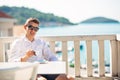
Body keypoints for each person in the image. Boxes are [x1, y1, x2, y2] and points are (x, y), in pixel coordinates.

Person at [8, 17, 74, 80]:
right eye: (31, 27)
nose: (33, 30)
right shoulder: (18, 43)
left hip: (43, 69)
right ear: (25, 27)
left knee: (68, 78)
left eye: (36, 28)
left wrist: (57, 66)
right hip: (27, 71)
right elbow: (11, 62)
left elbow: (51, 56)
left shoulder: (40, 42)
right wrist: (26, 57)